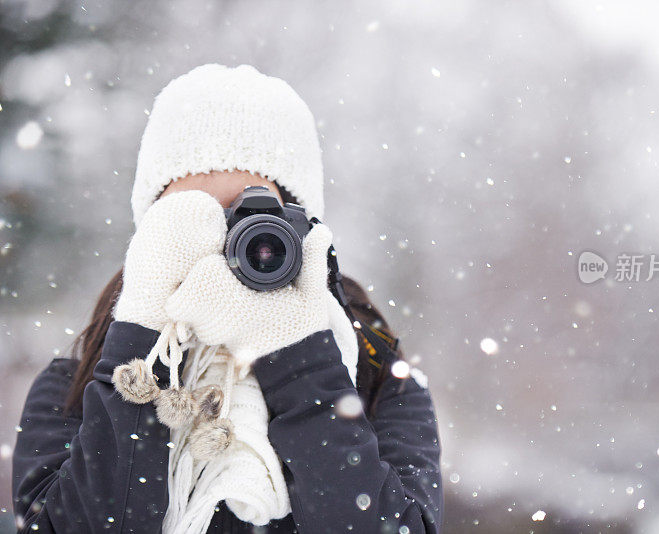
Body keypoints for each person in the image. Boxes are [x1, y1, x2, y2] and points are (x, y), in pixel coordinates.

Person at [11, 64, 443, 533]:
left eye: (248, 213)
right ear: (152, 229)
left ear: (301, 230)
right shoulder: (73, 389)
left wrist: (296, 354)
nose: (223, 242)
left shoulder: (378, 381)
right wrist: (140, 342)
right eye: (191, 215)